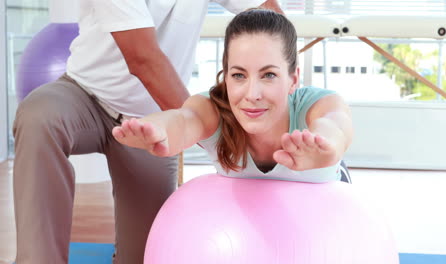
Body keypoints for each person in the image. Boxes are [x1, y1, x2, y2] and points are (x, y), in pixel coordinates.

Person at [12, 1, 283, 263]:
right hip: (84, 96)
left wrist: (279, 71)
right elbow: (142, 58)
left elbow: (268, 12)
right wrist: (212, 136)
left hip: (151, 124)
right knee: (39, 116)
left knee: (146, 255)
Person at [112, 9, 353, 185]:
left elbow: (334, 124)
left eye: (268, 75)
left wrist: (325, 145)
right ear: (225, 76)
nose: (252, 94)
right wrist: (156, 129)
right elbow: (184, 120)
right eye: (239, 75)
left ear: (293, 79)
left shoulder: (320, 104)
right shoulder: (212, 108)